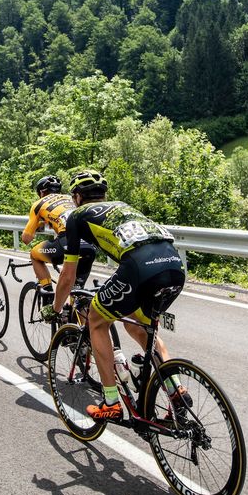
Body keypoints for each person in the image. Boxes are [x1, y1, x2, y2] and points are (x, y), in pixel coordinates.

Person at [42, 170, 186, 421]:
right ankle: (176, 390)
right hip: (175, 266)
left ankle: (111, 402)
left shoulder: (77, 215)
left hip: (140, 268)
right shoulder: (123, 207)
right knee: (139, 325)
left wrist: (55, 308)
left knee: (97, 320)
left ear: (76, 197)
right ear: (104, 195)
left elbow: (67, 275)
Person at [20, 175, 96, 301]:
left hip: (68, 243)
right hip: (90, 245)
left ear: (41, 192)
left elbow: (26, 238)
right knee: (76, 294)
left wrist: (36, 225)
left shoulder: (39, 203)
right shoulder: (70, 198)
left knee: (34, 254)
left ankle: (47, 293)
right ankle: (76, 310)